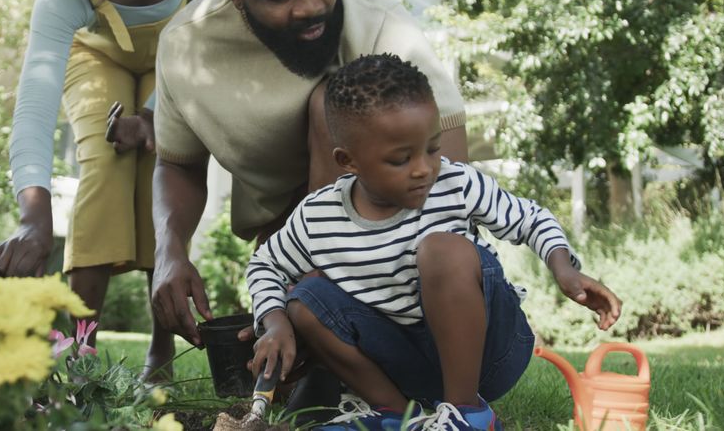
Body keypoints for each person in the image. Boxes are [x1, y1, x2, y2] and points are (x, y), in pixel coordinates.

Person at [148, 0, 467, 350]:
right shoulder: (185, 48)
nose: (313, 4)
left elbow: (448, 176)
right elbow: (178, 163)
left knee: (331, 102)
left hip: (387, 239)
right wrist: (169, 250)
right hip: (284, 235)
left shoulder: (383, 27)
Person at [245, 54, 623, 430]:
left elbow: (531, 218)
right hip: (401, 366)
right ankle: (394, 416)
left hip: (488, 356)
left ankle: (468, 415)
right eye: (401, 159)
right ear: (349, 161)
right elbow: (265, 264)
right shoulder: (318, 216)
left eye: (432, 147)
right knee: (303, 301)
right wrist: (274, 321)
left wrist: (565, 270)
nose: (424, 168)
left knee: (442, 249)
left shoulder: (456, 184)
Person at [0, 0, 221, 379]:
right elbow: (35, 100)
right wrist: (34, 216)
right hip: (99, 56)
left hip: (178, 57)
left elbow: (208, 45)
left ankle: (161, 348)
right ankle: (76, 350)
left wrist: (155, 115)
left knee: (168, 163)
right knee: (104, 163)